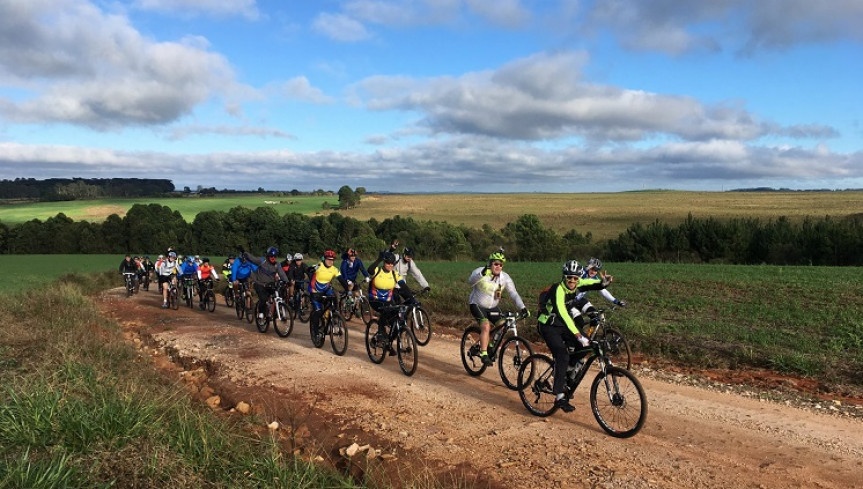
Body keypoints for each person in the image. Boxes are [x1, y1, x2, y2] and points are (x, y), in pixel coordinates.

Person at [536, 260, 613, 413]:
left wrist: (604, 283)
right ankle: (559, 396)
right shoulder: (557, 289)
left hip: (563, 325)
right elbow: (563, 314)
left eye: (575, 278)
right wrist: (578, 334)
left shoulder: (578, 283)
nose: (572, 281)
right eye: (569, 277)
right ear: (564, 277)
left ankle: (566, 371)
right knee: (562, 355)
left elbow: (592, 284)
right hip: (548, 325)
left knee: (587, 346)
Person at [467, 249, 529, 367]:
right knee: (486, 326)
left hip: (493, 307)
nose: (498, 267)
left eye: (501, 265)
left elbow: (513, 293)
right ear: (490, 263)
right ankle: (484, 354)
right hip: (477, 305)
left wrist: (523, 307)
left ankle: (489, 345)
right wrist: (482, 273)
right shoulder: (481, 272)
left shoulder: (504, 278)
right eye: (496, 264)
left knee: (502, 325)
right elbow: (470, 281)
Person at [366, 250, 413, 355]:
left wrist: (411, 298)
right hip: (375, 300)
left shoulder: (394, 273)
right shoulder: (377, 270)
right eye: (388, 263)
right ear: (384, 262)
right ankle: (380, 336)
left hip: (387, 301)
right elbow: (369, 270)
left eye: (392, 263)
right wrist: (378, 259)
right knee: (386, 310)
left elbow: (404, 286)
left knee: (397, 321)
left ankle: (388, 343)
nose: (390, 265)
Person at [308, 249, 348, 339]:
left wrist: (347, 290)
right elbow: (309, 270)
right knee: (318, 312)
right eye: (328, 259)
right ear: (324, 259)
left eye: (332, 260)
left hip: (326, 290)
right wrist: (311, 270)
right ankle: (315, 331)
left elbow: (342, 280)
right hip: (315, 291)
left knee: (334, 297)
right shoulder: (319, 266)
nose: (330, 261)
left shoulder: (334, 269)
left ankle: (334, 316)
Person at [243, 247, 289, 320]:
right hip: (259, 284)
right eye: (271, 256)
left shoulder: (277, 264)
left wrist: (286, 281)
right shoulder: (262, 261)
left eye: (275, 256)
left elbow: (282, 273)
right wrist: (245, 253)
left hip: (270, 284)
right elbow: (253, 259)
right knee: (263, 298)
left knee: (278, 294)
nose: (273, 258)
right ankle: (261, 312)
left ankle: (272, 311)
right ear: (268, 256)